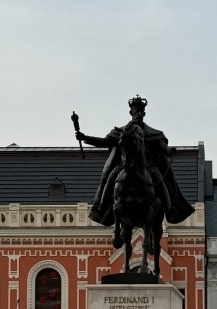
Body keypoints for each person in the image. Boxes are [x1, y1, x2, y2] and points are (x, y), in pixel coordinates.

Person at [75, 96, 195, 227]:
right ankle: (101, 206)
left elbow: (162, 147)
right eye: (136, 110)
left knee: (161, 181)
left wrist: (169, 150)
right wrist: (85, 137)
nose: (138, 113)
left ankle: (170, 208)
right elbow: (105, 142)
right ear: (131, 112)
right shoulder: (122, 132)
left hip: (148, 165)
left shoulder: (153, 133)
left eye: (141, 111)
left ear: (144, 113)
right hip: (125, 165)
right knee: (110, 178)